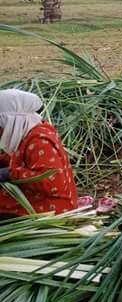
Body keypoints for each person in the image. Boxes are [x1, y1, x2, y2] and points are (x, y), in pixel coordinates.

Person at [0, 89, 78, 217]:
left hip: (55, 208)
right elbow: (24, 158)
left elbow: (50, 181)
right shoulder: (28, 130)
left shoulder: (39, 140)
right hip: (40, 197)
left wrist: (9, 174)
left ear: (10, 121)